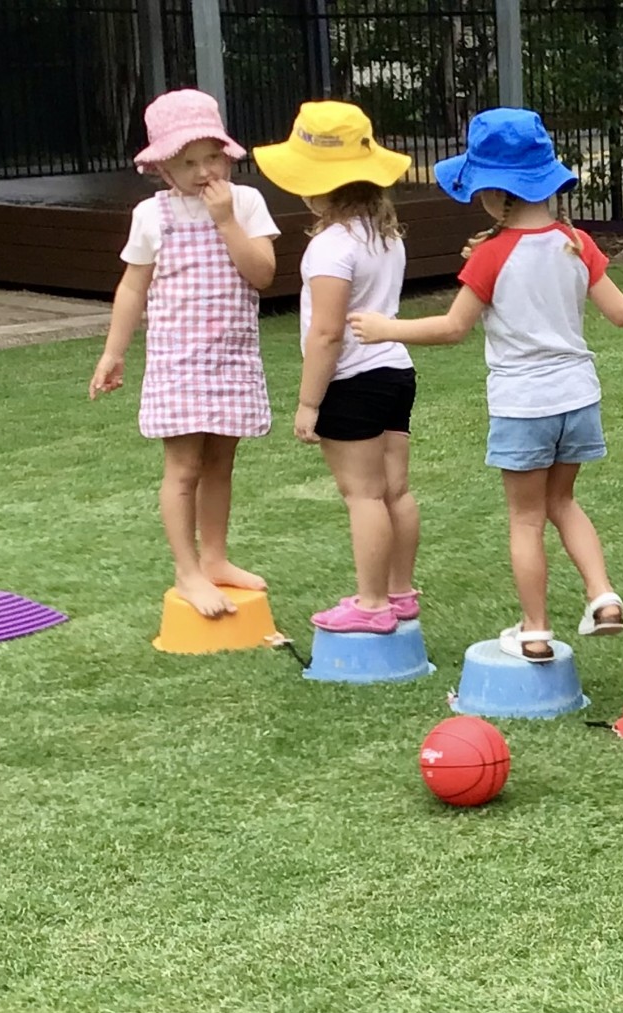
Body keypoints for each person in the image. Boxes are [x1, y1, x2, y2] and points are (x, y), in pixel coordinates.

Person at [348, 108, 623, 662]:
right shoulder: (574, 242)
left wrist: (383, 328)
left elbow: (452, 328)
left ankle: (534, 629)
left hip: (524, 406)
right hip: (578, 399)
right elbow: (622, 311)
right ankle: (602, 595)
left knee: (525, 518)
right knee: (564, 501)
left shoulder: (491, 255)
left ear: (494, 194)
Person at [89, 89, 279, 619]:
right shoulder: (152, 215)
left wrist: (226, 221)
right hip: (177, 361)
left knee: (221, 461)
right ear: (161, 169)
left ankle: (215, 558)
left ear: (227, 154)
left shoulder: (245, 204)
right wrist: (114, 352)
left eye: (211, 158)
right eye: (186, 163)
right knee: (183, 467)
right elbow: (132, 287)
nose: (202, 172)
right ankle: (187, 569)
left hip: (233, 357)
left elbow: (261, 274)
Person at [254, 101, 422, 635]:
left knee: (363, 494)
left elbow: (326, 332)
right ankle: (400, 591)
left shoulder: (330, 246)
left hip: (352, 380)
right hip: (395, 371)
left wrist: (309, 402)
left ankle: (371, 604)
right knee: (395, 489)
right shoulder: (385, 234)